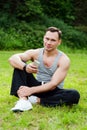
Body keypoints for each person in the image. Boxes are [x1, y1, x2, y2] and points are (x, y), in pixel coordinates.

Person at [9, 27, 80, 112]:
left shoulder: (63, 59)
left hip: (52, 91)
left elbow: (53, 84)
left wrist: (30, 90)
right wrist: (25, 67)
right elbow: (12, 59)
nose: (48, 43)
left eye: (53, 40)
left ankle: (36, 100)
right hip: (37, 85)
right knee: (19, 66)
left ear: (59, 42)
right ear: (43, 38)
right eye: (47, 39)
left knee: (74, 94)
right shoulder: (35, 53)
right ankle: (24, 101)